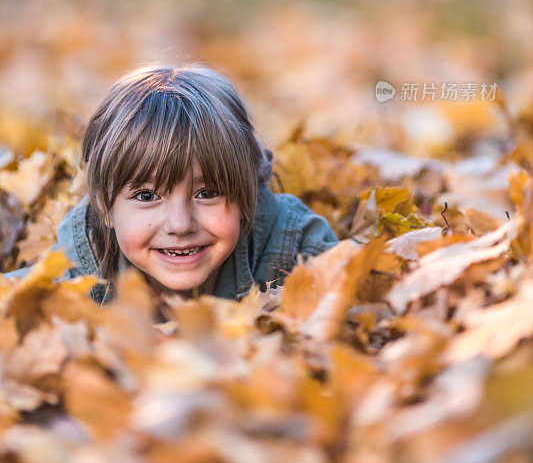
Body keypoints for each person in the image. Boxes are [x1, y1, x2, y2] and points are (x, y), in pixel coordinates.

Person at [3, 64, 338, 314]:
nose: (180, 225)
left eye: (208, 193)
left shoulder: (293, 245)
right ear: (105, 205)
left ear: (248, 188)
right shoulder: (77, 271)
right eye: (147, 196)